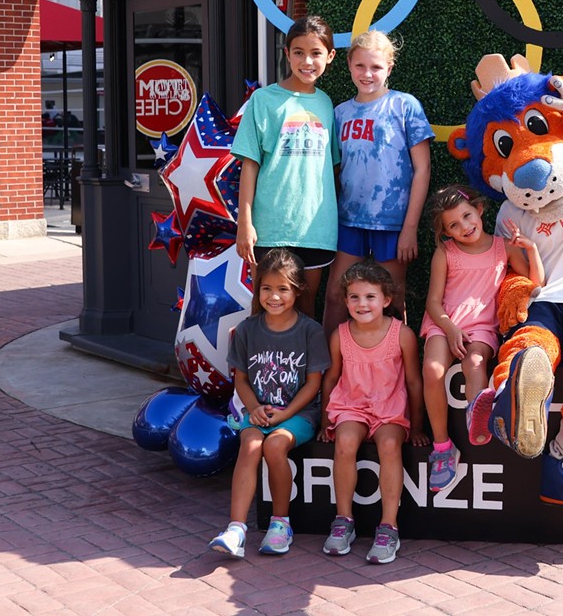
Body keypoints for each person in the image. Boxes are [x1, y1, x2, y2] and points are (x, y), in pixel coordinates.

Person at [420, 184, 545, 491]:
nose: (464, 226)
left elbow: (535, 282)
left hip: (482, 328)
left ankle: (476, 411)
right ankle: (442, 448)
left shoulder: (504, 247)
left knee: (475, 361)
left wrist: (531, 249)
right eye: (453, 225)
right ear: (446, 232)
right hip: (444, 323)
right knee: (432, 370)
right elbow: (433, 303)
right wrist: (449, 328)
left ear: (478, 209)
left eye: (466, 216)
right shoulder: (444, 253)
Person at [208, 248, 328, 558]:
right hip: (258, 410)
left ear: (297, 290)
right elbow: (242, 380)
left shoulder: (310, 331)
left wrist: (287, 413)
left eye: (282, 289)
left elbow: (314, 383)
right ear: (257, 288)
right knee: (249, 445)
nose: (274, 296)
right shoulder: (248, 329)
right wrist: (254, 408)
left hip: (298, 413)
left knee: (275, 446)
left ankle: (280, 524)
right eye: (266, 288)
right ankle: (236, 529)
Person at [322, 29, 433, 336]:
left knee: (393, 298)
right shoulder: (339, 114)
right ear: (348, 65)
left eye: (376, 67)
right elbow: (333, 171)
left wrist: (410, 228)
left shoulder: (405, 106)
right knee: (335, 296)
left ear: (389, 68)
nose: (367, 74)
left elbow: (422, 170)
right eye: (360, 66)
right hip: (349, 220)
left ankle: (396, 376)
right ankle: (328, 376)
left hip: (393, 223)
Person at [232, 15, 339, 321]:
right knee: (266, 313)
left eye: (316, 53)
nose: (307, 61)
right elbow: (250, 165)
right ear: (287, 53)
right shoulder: (262, 101)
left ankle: (304, 371)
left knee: (306, 314)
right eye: (299, 52)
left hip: (317, 230)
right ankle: (256, 371)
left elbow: (330, 169)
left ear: (330, 56)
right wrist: (245, 224)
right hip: (269, 229)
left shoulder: (327, 104)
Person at [320, 260, 427, 564]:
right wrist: (326, 420)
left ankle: (388, 527)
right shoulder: (340, 335)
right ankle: (343, 521)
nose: (362, 303)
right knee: (344, 444)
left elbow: (414, 382)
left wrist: (417, 427)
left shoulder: (401, 334)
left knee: (390, 445)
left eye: (370, 297)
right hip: (351, 406)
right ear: (345, 300)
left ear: (386, 300)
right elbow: (331, 379)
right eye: (354, 297)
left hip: (389, 409)